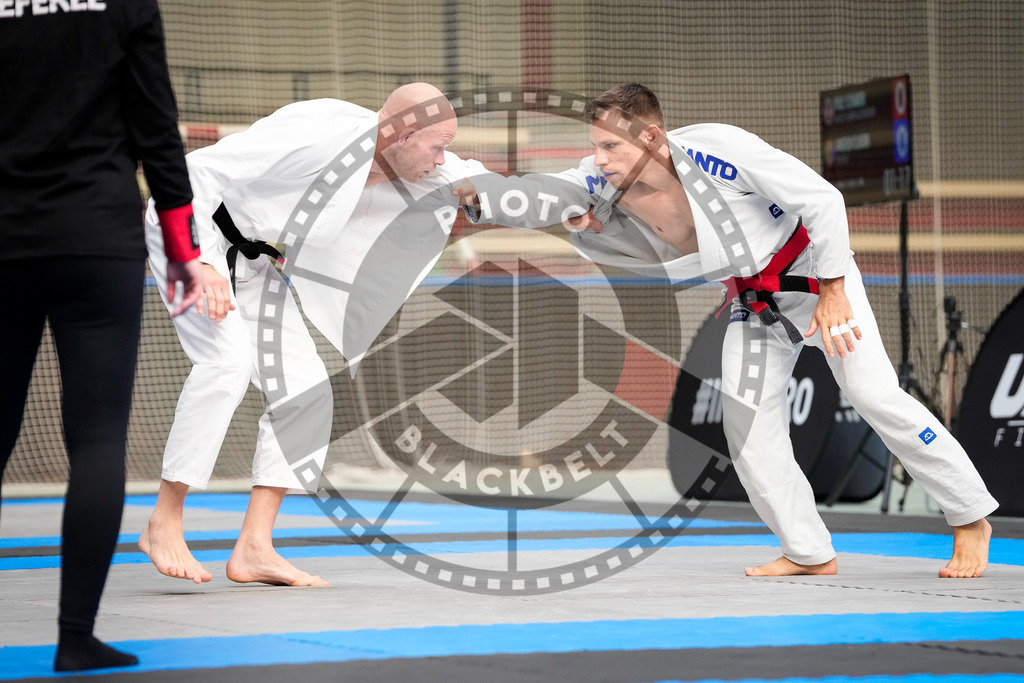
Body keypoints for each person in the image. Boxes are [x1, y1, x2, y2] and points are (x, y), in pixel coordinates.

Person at [456, 82, 998, 578]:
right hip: (753, 300)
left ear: (651, 136)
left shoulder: (720, 150)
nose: (599, 160)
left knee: (872, 395)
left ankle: (970, 517)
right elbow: (549, 192)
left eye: (611, 148)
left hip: (814, 277)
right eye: (596, 147)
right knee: (747, 425)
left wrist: (834, 290)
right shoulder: (600, 181)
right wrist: (481, 195)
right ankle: (809, 551)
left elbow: (823, 200)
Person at [140, 82, 485, 587]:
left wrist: (583, 201)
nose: (444, 158)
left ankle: (254, 547)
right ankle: (163, 521)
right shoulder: (321, 136)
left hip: (252, 261)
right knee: (227, 362)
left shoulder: (417, 161)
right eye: (438, 145)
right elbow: (196, 172)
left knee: (306, 392)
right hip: (192, 235)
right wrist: (197, 262)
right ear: (404, 134)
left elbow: (487, 185)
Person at [0, 0, 203, 672]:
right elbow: (156, 123)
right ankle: (73, 635)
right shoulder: (123, 3)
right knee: (96, 438)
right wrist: (182, 247)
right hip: (95, 236)